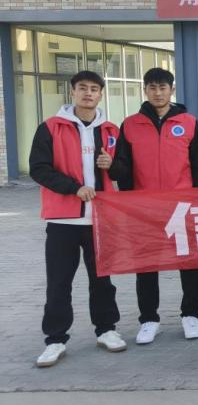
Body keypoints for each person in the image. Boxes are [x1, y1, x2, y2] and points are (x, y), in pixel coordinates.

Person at [30, 70, 126, 367]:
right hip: (63, 220)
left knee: (102, 280)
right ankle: (55, 339)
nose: (88, 93)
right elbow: (39, 169)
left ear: (100, 94)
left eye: (94, 89)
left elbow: (125, 170)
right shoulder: (51, 127)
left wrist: (112, 165)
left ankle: (106, 329)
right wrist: (73, 188)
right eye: (82, 88)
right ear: (72, 92)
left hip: (100, 220)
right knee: (59, 282)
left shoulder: (111, 130)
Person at [109, 67, 198, 344]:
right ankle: (149, 319)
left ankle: (191, 314)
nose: (157, 93)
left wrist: (196, 200)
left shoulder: (188, 122)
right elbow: (124, 167)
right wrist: (130, 199)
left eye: (162, 87)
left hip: (182, 206)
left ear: (171, 90)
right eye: (152, 88)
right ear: (145, 90)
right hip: (145, 208)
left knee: (188, 261)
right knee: (146, 264)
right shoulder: (130, 124)